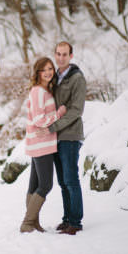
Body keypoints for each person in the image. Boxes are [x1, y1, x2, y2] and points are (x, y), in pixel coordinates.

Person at [20, 57, 66, 233]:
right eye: (44, 70)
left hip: (40, 143)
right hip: (41, 144)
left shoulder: (45, 91)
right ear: (38, 72)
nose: (48, 72)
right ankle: (27, 222)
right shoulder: (38, 91)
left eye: (50, 69)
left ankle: (33, 223)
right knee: (45, 184)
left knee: (35, 185)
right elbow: (39, 120)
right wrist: (59, 113)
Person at [48, 41, 87, 235]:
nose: (61, 57)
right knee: (63, 181)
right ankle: (66, 219)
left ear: (71, 56)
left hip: (70, 135)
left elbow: (76, 110)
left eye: (65, 54)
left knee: (71, 179)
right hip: (55, 137)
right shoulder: (54, 77)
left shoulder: (77, 78)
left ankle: (76, 222)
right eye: (58, 54)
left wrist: (54, 126)